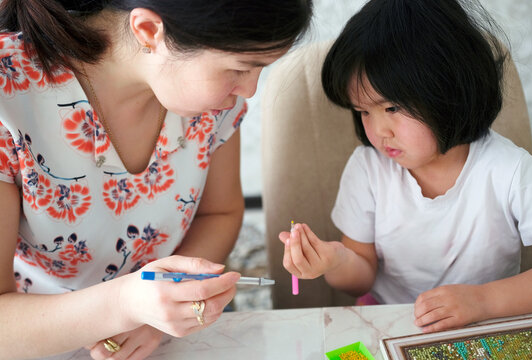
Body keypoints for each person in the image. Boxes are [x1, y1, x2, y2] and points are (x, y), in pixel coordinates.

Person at [0, 0, 312, 358]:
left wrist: (159, 314)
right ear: (148, 30)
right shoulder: (8, 94)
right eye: (240, 68)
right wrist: (129, 306)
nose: (250, 91)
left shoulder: (213, 107)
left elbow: (220, 214)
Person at [279, 0, 532, 334]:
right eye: (364, 112)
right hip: (392, 325)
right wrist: (333, 260)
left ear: (447, 90)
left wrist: (483, 301)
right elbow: (360, 278)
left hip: (487, 325)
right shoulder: (367, 169)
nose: (379, 131)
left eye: (391, 108)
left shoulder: (509, 171)